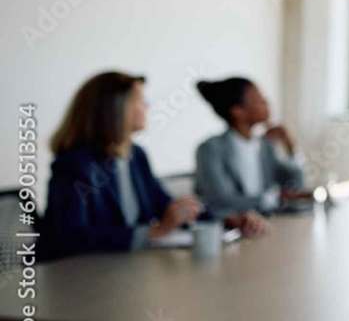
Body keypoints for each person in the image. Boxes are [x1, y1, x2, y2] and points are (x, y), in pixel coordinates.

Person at [39, 71, 265, 261]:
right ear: (114, 109)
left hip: (126, 270)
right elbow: (70, 237)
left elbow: (166, 206)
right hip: (80, 278)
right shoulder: (75, 164)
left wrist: (228, 219)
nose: (147, 106)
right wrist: (153, 232)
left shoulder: (135, 156)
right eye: (139, 100)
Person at [194, 77, 307, 219]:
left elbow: (296, 184)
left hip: (265, 224)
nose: (266, 103)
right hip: (230, 231)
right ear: (238, 111)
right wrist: (273, 199)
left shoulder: (264, 146)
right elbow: (221, 201)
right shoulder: (210, 149)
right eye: (258, 99)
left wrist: (290, 146)